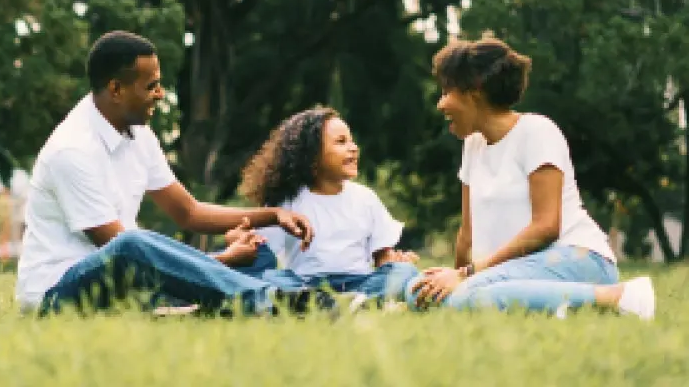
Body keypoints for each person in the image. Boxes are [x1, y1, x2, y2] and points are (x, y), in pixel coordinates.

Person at [15, 31, 314, 316]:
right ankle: (266, 299)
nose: (160, 94)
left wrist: (273, 216)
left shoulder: (139, 135)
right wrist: (223, 260)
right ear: (116, 89)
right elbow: (123, 252)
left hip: (129, 279)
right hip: (60, 293)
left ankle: (302, 295)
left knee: (258, 255)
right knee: (131, 243)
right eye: (151, 86)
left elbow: (189, 212)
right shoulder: (72, 150)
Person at [405, 37, 655, 320]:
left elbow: (546, 227)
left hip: (577, 257)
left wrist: (467, 276)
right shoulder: (472, 146)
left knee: (469, 296)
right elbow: (467, 235)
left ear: (473, 92)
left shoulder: (537, 132)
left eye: (446, 91)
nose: (440, 104)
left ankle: (618, 296)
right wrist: (453, 278)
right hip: (511, 270)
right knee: (418, 293)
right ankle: (539, 302)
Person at [234, 106, 420, 310]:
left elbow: (382, 257)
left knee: (405, 273)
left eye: (352, 140)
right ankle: (338, 304)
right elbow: (262, 252)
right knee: (273, 278)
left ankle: (353, 301)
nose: (353, 147)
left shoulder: (365, 198)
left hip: (360, 282)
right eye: (341, 142)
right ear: (312, 156)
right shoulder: (287, 202)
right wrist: (242, 240)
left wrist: (395, 265)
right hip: (305, 285)